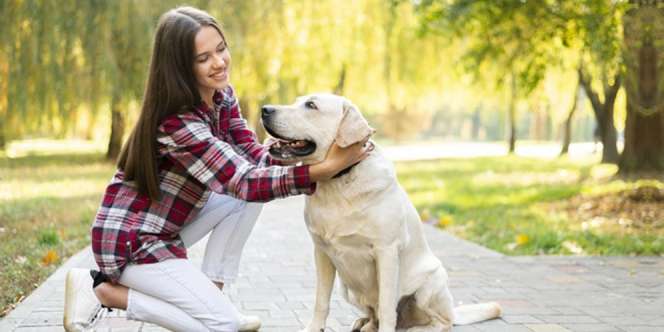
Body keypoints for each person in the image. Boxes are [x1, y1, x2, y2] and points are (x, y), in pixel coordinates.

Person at [62, 6, 372, 332]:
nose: (219, 62)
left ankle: (212, 295)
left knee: (246, 201)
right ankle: (105, 293)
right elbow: (244, 181)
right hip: (132, 244)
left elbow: (252, 160)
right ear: (180, 67)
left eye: (221, 49)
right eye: (203, 58)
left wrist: (316, 155)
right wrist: (322, 171)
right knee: (223, 325)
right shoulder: (176, 122)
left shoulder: (222, 97)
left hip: (166, 228)